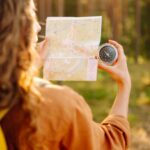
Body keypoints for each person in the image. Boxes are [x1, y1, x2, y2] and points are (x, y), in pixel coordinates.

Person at [0, 0, 131, 150]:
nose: (37, 27)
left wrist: (27, 70)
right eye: (30, 16)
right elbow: (111, 143)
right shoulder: (57, 106)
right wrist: (124, 84)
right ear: (17, 31)